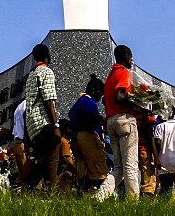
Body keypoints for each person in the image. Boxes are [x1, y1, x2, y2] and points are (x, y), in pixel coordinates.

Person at [95, 45, 140, 200]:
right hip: (125, 120)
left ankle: (100, 196)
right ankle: (133, 202)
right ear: (126, 56)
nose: (131, 60)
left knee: (119, 167)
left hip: (111, 121)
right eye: (130, 56)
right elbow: (119, 96)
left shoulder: (110, 77)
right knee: (131, 165)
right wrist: (138, 102)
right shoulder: (123, 72)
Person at [23, 43, 61, 190]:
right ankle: (48, 189)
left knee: (42, 159)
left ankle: (31, 189)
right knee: (51, 158)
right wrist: (56, 125)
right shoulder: (46, 72)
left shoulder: (31, 76)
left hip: (32, 125)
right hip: (44, 122)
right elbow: (49, 99)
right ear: (47, 57)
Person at [68, 74, 107, 192]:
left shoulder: (80, 101)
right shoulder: (89, 101)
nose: (100, 98)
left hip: (77, 138)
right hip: (88, 137)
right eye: (100, 94)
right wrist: (101, 120)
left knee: (83, 170)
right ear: (94, 90)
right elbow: (90, 117)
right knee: (98, 169)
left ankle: (84, 192)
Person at [153, 102, 175, 202]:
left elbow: (157, 142)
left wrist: (156, 156)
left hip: (164, 162)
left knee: (166, 189)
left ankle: (164, 209)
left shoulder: (160, 127)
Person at [137, 113, 158, 197]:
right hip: (145, 148)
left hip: (132, 148)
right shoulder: (148, 115)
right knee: (148, 181)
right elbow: (150, 134)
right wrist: (155, 155)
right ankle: (147, 199)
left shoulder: (130, 112)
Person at [11, 99, 31, 184]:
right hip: (24, 143)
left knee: (23, 174)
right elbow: (27, 124)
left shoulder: (19, 107)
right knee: (29, 173)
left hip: (17, 142)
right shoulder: (27, 105)